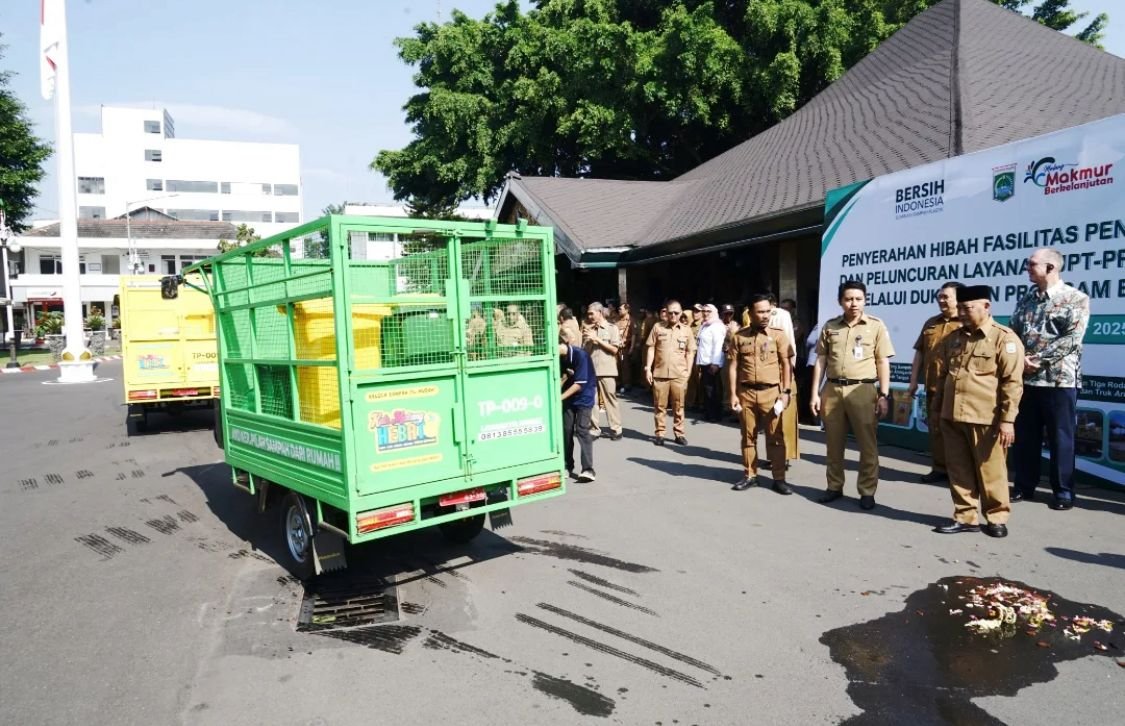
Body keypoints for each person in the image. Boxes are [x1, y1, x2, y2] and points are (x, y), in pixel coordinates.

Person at [932, 285, 1024, 537]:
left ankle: (996, 517)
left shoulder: (1004, 338)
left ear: (986, 306)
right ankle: (965, 517)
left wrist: (1007, 420)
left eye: (968, 308)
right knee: (958, 469)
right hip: (952, 415)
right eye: (959, 307)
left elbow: (1012, 383)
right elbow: (942, 378)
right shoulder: (953, 338)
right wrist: (937, 410)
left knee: (991, 470)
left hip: (986, 418)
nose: (961, 312)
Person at [1009, 247, 1091, 510]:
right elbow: (1013, 333)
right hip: (1027, 380)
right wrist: (1019, 359)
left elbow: (1072, 339)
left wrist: (1038, 361)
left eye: (1032, 264)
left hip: (1059, 381)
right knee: (1026, 436)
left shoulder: (1075, 298)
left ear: (1051, 268)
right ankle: (1024, 485)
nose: (1027, 268)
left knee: (1061, 438)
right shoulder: (1026, 300)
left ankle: (1063, 491)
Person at [810, 280, 895, 510]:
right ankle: (834, 486)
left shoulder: (875, 326)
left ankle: (867, 491)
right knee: (833, 444)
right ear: (840, 301)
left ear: (865, 300)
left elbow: (882, 361)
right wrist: (815, 393)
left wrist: (884, 395)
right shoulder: (830, 326)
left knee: (868, 445)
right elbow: (821, 360)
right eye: (848, 299)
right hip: (833, 390)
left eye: (858, 299)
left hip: (863, 390)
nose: (853, 303)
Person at [727, 295, 793, 494]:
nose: (765, 316)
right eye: (761, 312)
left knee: (775, 437)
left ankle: (779, 479)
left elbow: (786, 364)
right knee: (748, 437)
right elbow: (733, 367)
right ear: (750, 313)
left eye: (768, 311)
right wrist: (732, 394)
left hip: (772, 392)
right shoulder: (739, 336)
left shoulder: (779, 335)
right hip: (746, 392)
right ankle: (750, 475)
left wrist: (786, 392)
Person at [906, 282, 964, 483]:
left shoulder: (966, 323)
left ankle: (959, 473)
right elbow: (920, 353)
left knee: (957, 433)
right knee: (936, 429)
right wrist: (913, 381)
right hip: (933, 388)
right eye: (939, 296)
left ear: (959, 299)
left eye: (946, 296)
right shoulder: (931, 323)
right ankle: (939, 468)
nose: (941, 300)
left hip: (957, 390)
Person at [645, 299, 696, 446]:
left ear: (681, 313)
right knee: (659, 406)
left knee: (678, 406)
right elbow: (651, 348)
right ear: (665, 312)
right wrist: (648, 368)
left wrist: (688, 371)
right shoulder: (658, 327)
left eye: (676, 313)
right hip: (660, 374)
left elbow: (690, 352)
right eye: (670, 312)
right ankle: (660, 433)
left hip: (679, 374)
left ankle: (679, 434)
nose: (673, 315)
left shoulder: (686, 330)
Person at [583, 302, 623, 440]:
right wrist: (588, 341)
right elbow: (585, 352)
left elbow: (614, 349)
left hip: (607, 370)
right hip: (591, 370)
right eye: (588, 314)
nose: (589, 316)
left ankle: (616, 429)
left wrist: (598, 340)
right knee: (592, 401)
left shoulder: (612, 328)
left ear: (599, 313)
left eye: (591, 313)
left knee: (610, 400)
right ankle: (594, 429)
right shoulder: (588, 329)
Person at [768, 296, 800, 465]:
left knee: (784, 414)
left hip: (783, 367)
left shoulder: (782, 315)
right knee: (771, 416)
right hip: (769, 370)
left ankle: (784, 455)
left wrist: (789, 365)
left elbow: (789, 342)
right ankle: (775, 454)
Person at [559, 342, 597, 483]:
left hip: (584, 398)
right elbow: (562, 377)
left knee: (581, 430)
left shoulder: (581, 355)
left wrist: (558, 398)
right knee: (566, 430)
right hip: (569, 399)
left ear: (562, 344)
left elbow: (579, 385)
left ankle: (588, 469)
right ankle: (567, 465)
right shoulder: (558, 358)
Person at [695, 304, 727, 422]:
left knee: (713, 390)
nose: (705, 313)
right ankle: (709, 413)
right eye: (704, 311)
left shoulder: (717, 326)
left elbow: (718, 346)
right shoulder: (705, 325)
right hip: (704, 362)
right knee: (707, 389)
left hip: (712, 363)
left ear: (714, 312)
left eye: (708, 311)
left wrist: (715, 363)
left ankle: (715, 415)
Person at [720, 304, 741, 420]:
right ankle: (724, 406)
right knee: (722, 384)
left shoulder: (736, 325)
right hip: (718, 357)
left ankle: (730, 407)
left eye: (730, 313)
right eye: (726, 313)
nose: (728, 316)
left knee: (730, 382)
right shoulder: (716, 325)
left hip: (730, 357)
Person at [685, 305, 704, 409]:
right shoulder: (690, 325)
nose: (695, 313)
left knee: (699, 379)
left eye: (698, 311)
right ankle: (690, 402)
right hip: (689, 355)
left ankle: (701, 403)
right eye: (694, 311)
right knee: (691, 379)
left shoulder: (703, 325)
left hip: (698, 356)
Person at [615, 302, 635, 392]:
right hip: (617, 347)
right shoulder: (617, 320)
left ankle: (626, 384)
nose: (619, 310)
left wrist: (631, 348)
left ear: (627, 310)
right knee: (617, 365)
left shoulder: (631, 321)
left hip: (625, 347)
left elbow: (634, 335)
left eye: (621, 309)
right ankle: (618, 383)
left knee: (625, 366)